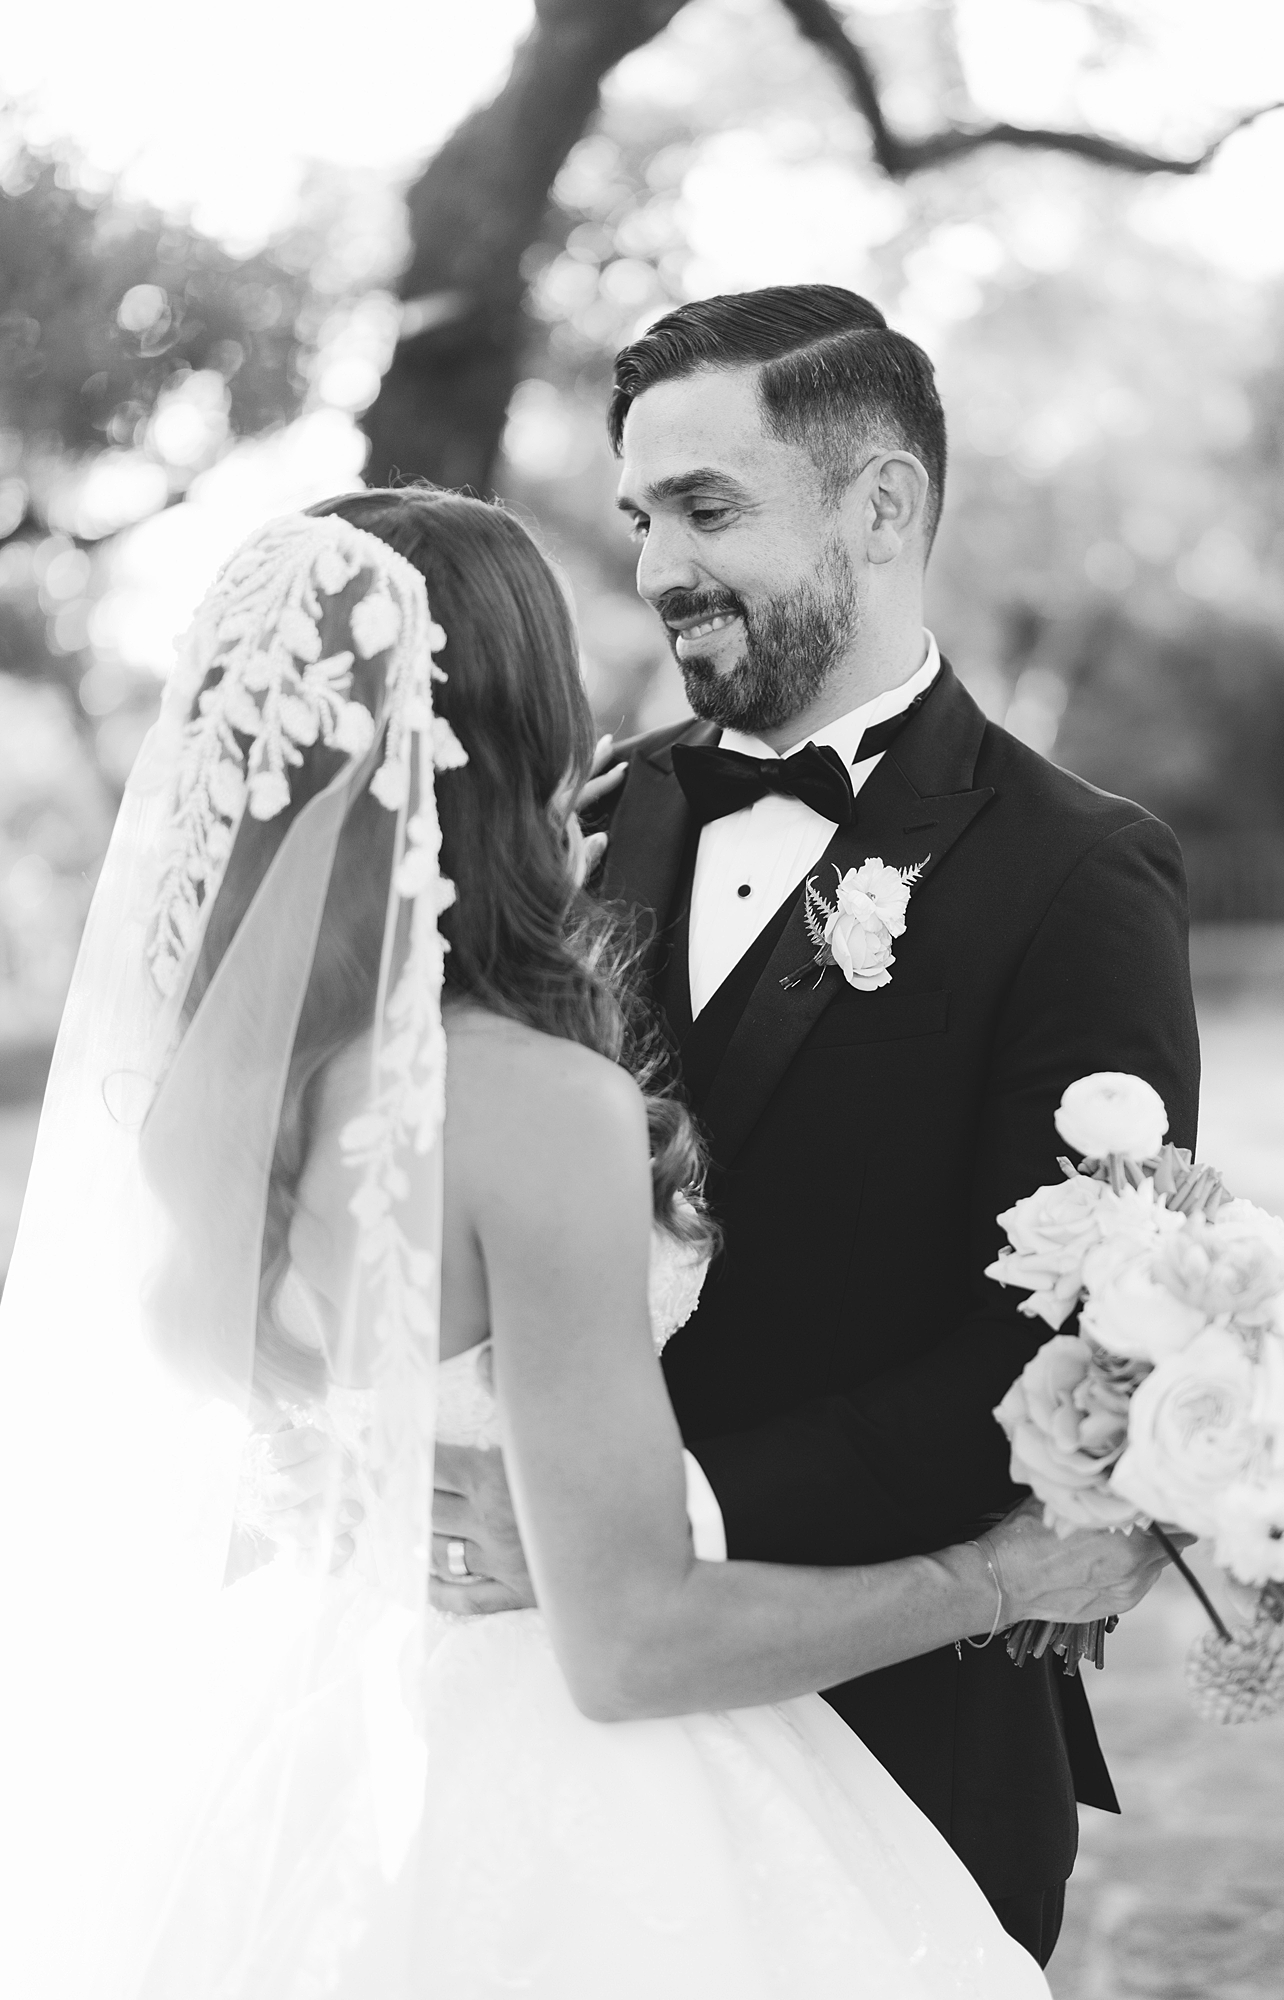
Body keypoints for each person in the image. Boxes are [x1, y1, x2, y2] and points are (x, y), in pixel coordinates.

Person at [0, 491, 1178, 1999]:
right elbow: (629, 1647)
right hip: (554, 1791)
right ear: (515, 727)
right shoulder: (531, 1106)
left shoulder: (199, 1088)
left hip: (299, 1729)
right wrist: (1002, 1576)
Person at [431, 285, 1202, 1967]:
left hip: (902, 1732)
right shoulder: (584, 817)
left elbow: (1056, 1350)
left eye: (707, 509)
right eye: (642, 517)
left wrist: (656, 1523)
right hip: (539, 1735)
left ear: (883, 508)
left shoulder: (1078, 874)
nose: (656, 566)